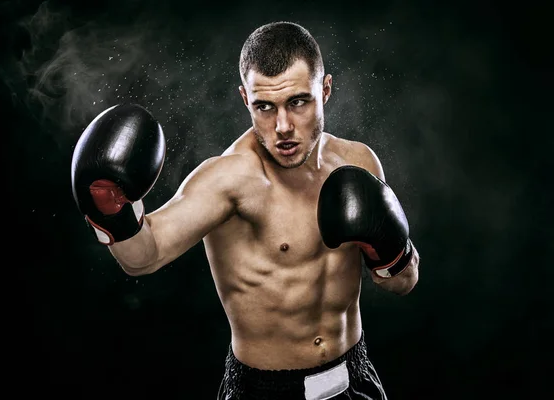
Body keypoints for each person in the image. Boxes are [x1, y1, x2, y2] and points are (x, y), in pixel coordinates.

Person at [71, 21, 420, 400]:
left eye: (298, 102)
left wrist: (392, 253)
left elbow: (403, 283)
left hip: (354, 378)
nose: (282, 126)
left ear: (326, 90)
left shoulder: (359, 161)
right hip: (264, 391)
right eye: (264, 107)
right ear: (244, 99)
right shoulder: (230, 179)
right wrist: (110, 212)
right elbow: (144, 256)